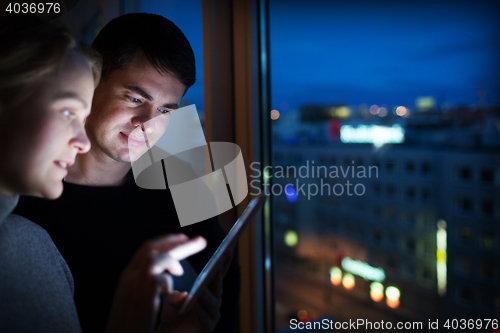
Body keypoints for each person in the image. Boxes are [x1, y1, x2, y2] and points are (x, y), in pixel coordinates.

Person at [14, 13, 241, 333]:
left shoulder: (179, 181)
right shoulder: (23, 186)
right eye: (135, 98)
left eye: (165, 110)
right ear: (91, 81)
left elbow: (224, 275)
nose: (148, 123)